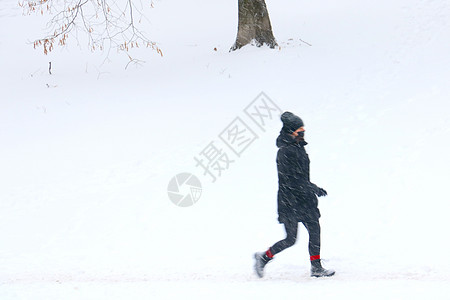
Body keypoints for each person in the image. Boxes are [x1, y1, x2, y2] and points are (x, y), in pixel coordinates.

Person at [254, 111, 335, 278]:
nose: (303, 133)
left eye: (303, 129)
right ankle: (263, 257)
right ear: (291, 132)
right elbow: (292, 180)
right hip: (290, 199)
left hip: (304, 198)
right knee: (291, 239)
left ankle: (316, 267)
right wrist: (313, 188)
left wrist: (311, 188)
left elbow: (301, 177)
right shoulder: (285, 152)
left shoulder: (299, 148)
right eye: (300, 130)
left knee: (314, 229)